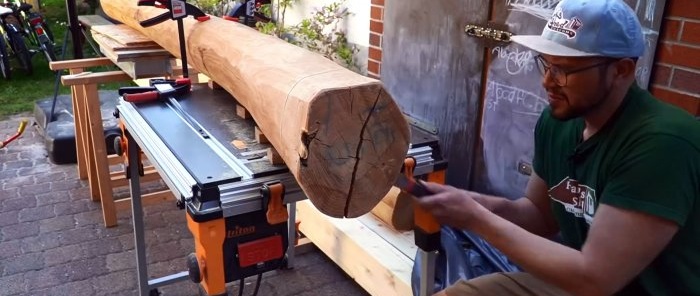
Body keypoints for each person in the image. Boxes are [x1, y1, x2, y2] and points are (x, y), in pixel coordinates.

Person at [415, 0, 700, 295]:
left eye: (563, 70)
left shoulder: (663, 144)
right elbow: (538, 215)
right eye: (546, 64)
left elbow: (596, 278)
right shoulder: (559, 122)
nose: (547, 81)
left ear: (621, 70)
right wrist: (469, 202)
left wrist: (475, 218)